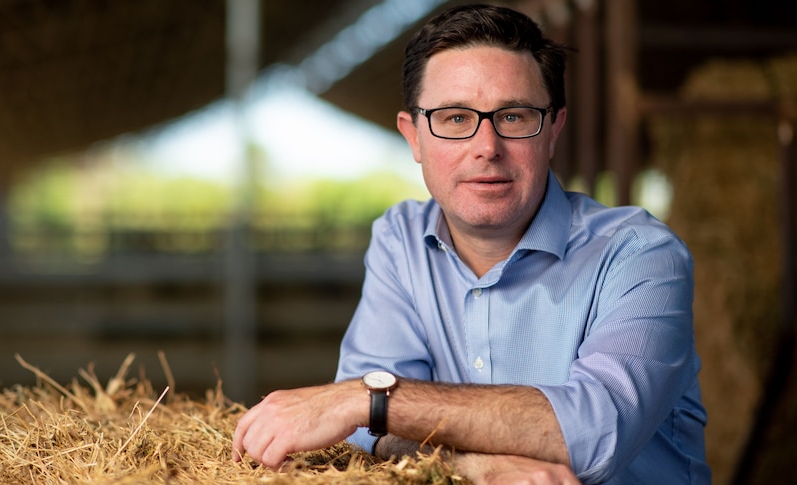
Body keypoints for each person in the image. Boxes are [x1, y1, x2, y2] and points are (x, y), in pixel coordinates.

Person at [233, 4, 710, 484]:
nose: (486, 145)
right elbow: (368, 436)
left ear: (553, 131)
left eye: (515, 116)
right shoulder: (401, 241)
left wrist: (366, 397)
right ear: (414, 137)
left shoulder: (640, 254)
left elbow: (593, 433)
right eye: (456, 118)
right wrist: (475, 464)